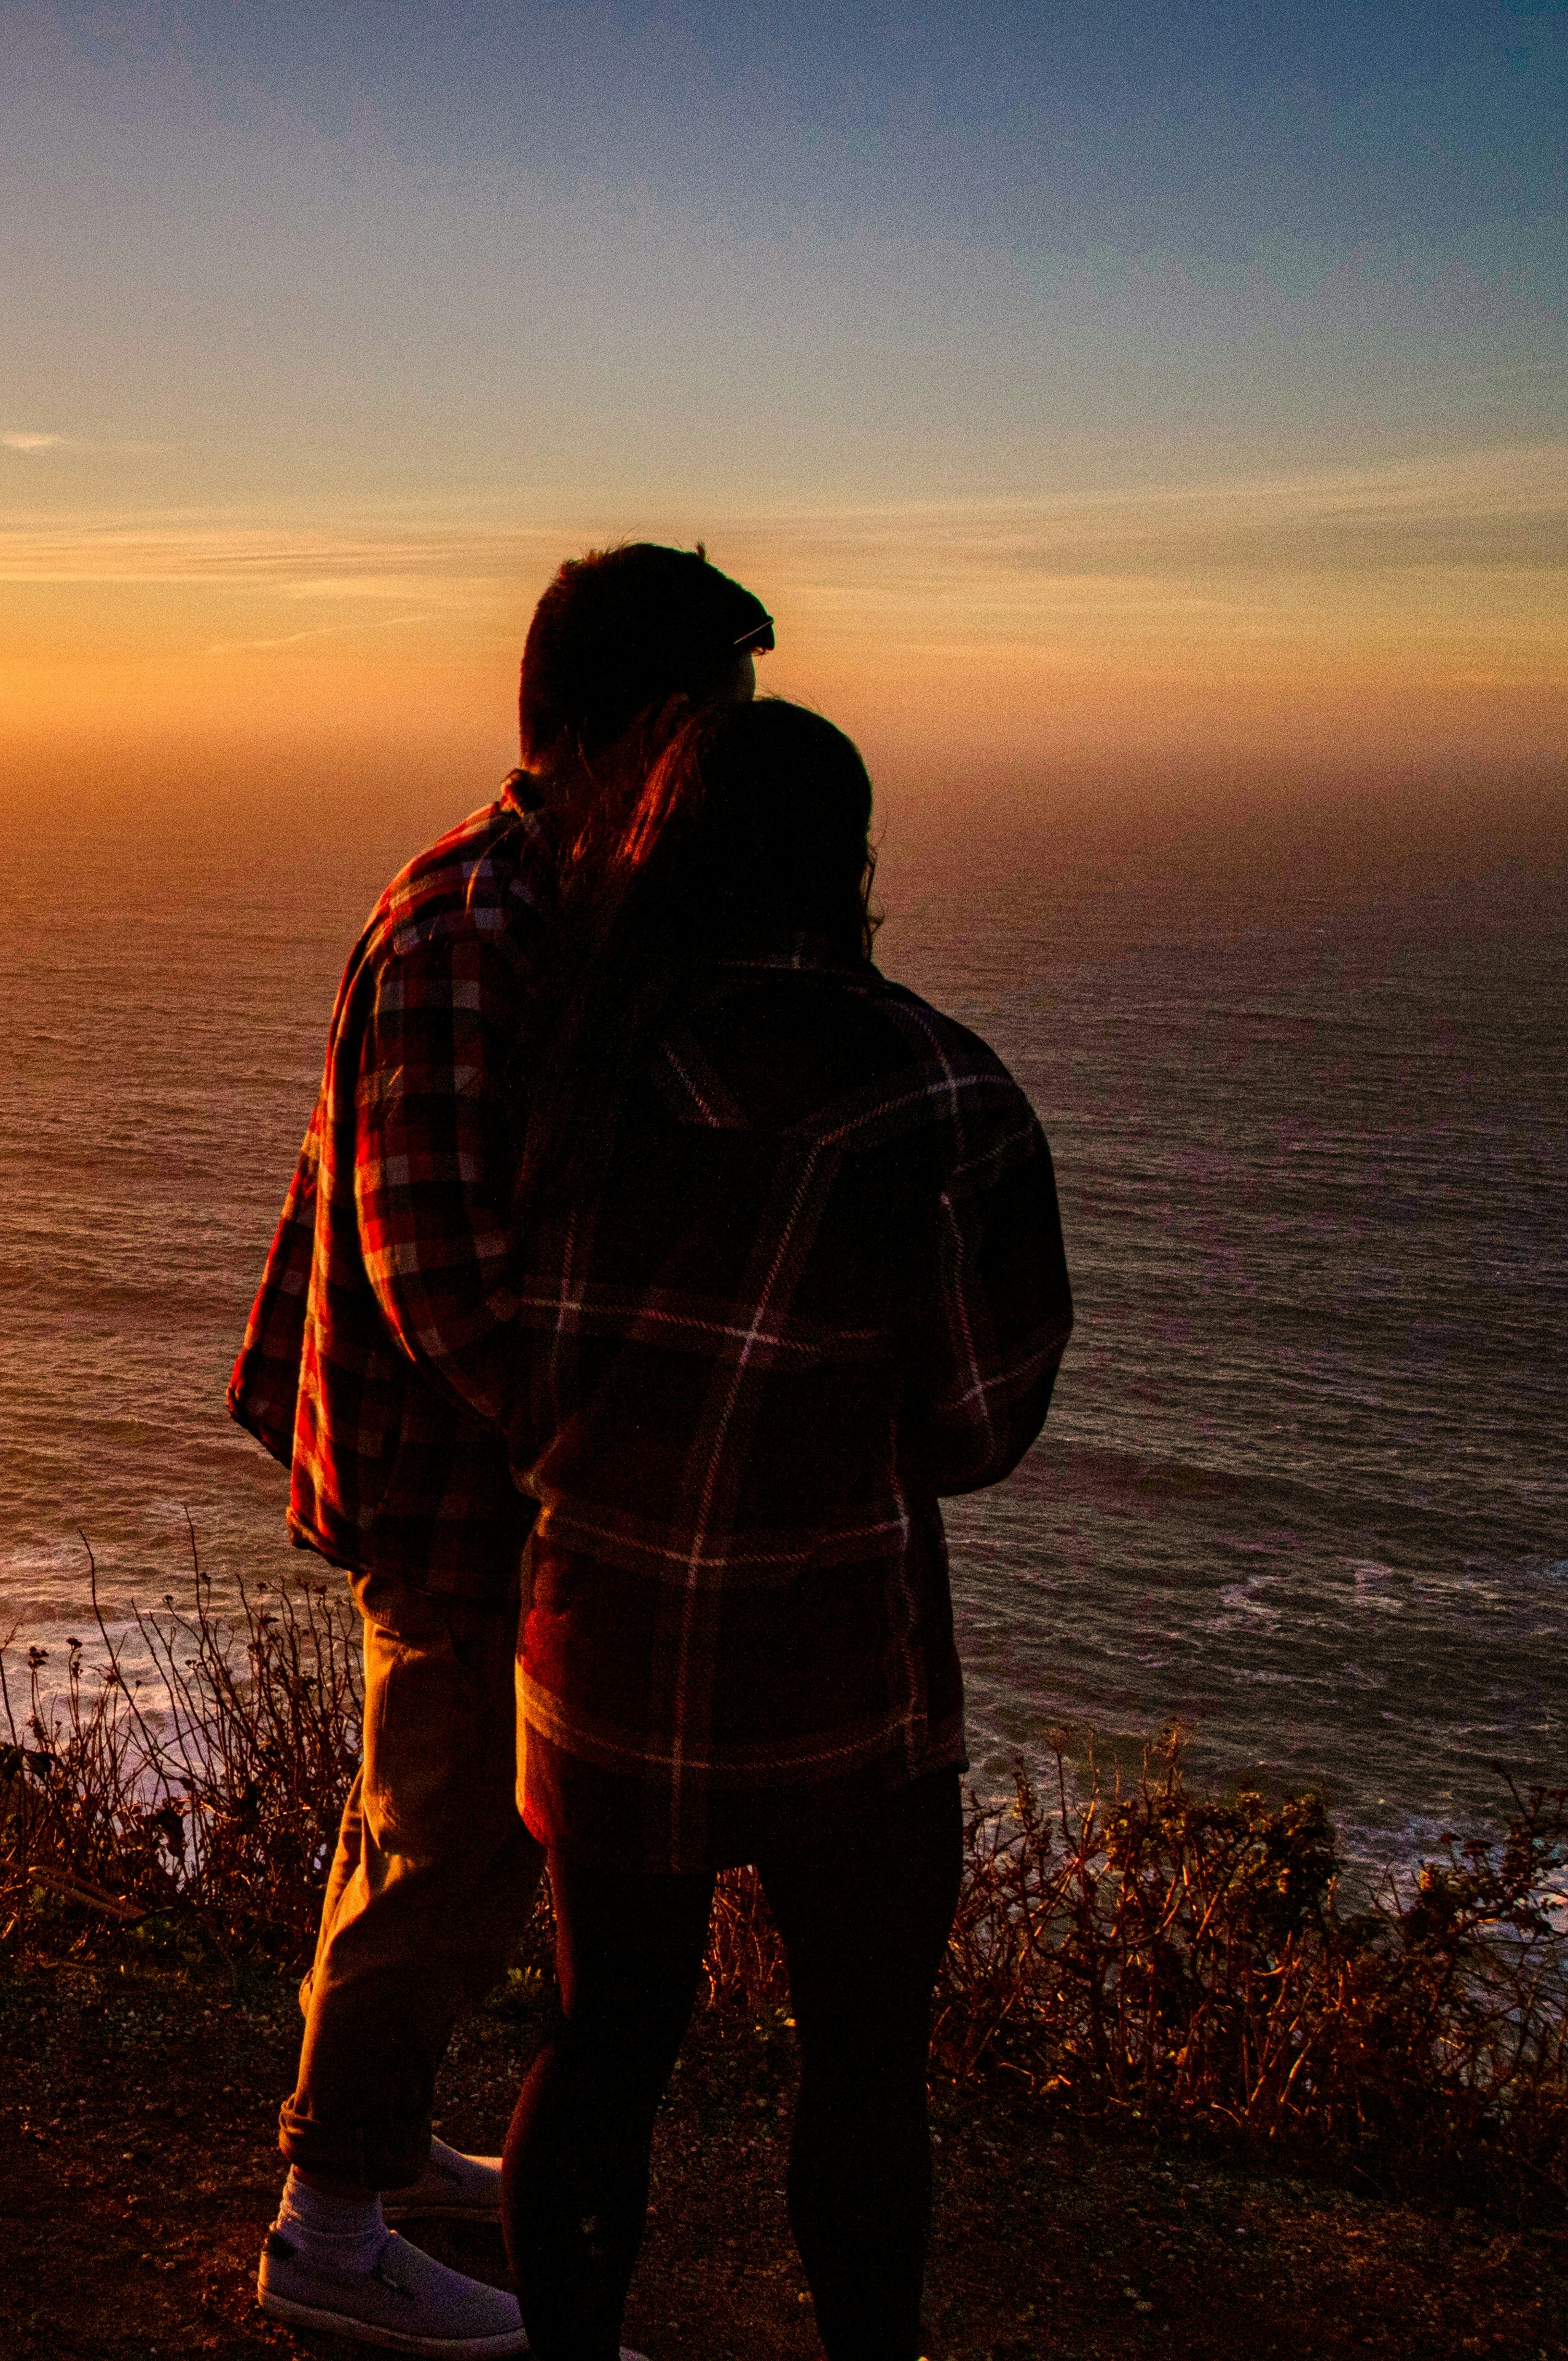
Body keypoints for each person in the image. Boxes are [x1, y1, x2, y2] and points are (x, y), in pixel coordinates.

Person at [231, 543, 774, 2353]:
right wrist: (606, 1461)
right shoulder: (476, 926)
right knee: (445, 1846)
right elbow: (437, 1273)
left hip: (485, 1477)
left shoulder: (553, 907)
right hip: (464, 1484)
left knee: (430, 1835)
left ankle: (365, 2159)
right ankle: (329, 2230)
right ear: (640, 732)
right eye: (719, 727)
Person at [493, 699, 1073, 2361]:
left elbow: (508, 1353)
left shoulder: (576, 1069)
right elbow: (978, 1427)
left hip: (609, 1649)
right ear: (854, 862)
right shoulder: (945, 1094)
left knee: (603, 2051)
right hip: (850, 1664)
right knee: (867, 2065)